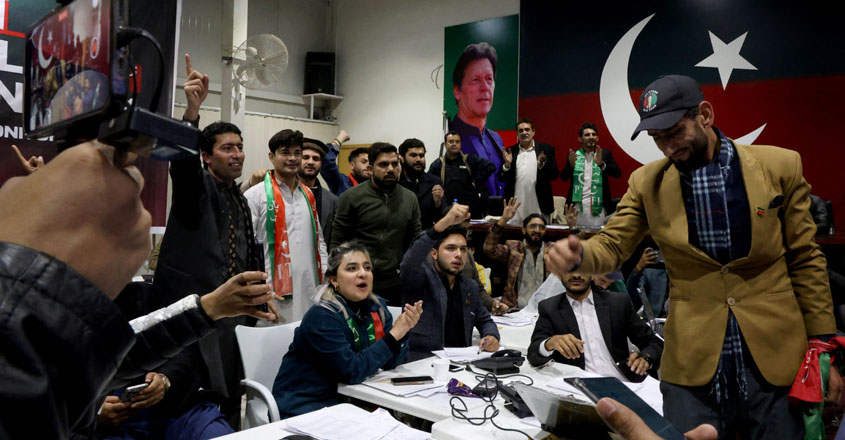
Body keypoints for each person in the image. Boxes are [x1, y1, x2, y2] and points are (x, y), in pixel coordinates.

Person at [547, 74, 839, 437]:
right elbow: (612, 245)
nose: (667, 147)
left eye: (673, 132)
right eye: (657, 139)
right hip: (692, 366)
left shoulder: (780, 167)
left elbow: (806, 259)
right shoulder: (646, 183)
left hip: (775, 359)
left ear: (705, 114)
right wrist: (578, 255)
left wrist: (823, 350)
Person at [0, 134, 279, 439]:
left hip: (178, 402)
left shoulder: (108, 306)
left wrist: (208, 310)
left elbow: (118, 348)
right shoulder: (29, 314)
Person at [152, 57, 261, 427]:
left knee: (233, 390)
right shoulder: (195, 187)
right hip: (192, 313)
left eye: (240, 147)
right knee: (194, 396)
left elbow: (247, 254)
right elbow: (179, 165)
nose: (237, 154)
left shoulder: (240, 198)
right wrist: (192, 113)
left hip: (232, 317)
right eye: (227, 148)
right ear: (206, 155)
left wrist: (258, 299)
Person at [272, 242, 422, 419]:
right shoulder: (323, 316)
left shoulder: (377, 307)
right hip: (308, 404)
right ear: (334, 280)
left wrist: (403, 332)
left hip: (353, 400)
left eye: (367, 267)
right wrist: (394, 335)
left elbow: (389, 363)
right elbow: (351, 371)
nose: (362, 273)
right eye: (352, 268)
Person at [244, 129, 328, 323]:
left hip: (309, 289)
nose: (292, 158)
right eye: (285, 152)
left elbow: (319, 241)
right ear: (271, 157)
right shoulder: (255, 195)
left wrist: (325, 280)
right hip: (270, 293)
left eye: (297, 153)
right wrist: (256, 290)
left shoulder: (307, 195)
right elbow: (246, 249)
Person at [400, 204, 500, 360]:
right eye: (451, 248)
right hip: (423, 363)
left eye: (463, 249)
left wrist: (491, 335)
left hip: (463, 363)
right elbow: (411, 258)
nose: (458, 255)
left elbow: (485, 320)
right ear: (434, 253)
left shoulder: (469, 286)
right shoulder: (420, 278)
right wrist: (442, 225)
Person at [527, 271, 663, 382]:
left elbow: (653, 342)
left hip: (622, 380)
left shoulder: (618, 303)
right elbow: (533, 354)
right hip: (579, 385)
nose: (576, 275)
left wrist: (646, 358)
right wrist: (549, 343)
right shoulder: (550, 308)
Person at [331, 143, 422, 305]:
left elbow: (415, 243)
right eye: (383, 164)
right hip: (357, 281)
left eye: (395, 164)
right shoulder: (351, 197)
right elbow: (337, 242)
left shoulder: (409, 198)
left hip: (395, 283)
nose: (391, 169)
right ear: (371, 169)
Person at [449, 42, 505, 196]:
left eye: (489, 79)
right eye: (476, 80)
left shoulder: (496, 139)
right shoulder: (451, 139)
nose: (485, 87)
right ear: (457, 91)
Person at [483, 198, 552, 309]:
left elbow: (575, 257)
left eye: (541, 227)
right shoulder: (514, 248)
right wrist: (503, 221)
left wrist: (573, 229)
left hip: (545, 309)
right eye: (533, 226)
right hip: (514, 308)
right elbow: (489, 249)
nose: (537, 230)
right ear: (523, 230)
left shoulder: (552, 250)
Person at [560, 122, 621, 228]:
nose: (591, 137)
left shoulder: (605, 154)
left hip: (598, 205)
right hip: (577, 206)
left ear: (597, 138)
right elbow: (563, 177)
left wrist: (601, 164)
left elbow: (617, 173)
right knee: (578, 236)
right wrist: (570, 166)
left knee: (597, 237)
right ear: (580, 139)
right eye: (587, 135)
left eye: (593, 134)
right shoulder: (574, 155)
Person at [500, 118, 559, 224]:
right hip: (515, 207)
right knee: (514, 238)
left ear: (533, 132)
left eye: (527, 130)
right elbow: (501, 177)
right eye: (520, 131)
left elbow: (554, 175)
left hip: (540, 205)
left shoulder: (546, 149)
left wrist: (541, 165)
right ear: (517, 134)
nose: (524, 133)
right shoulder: (510, 151)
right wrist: (507, 165)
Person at [428, 131, 495, 219]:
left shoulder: (469, 159)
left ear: (461, 144)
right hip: (447, 210)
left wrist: (476, 180)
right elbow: (428, 181)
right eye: (451, 141)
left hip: (470, 209)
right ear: (445, 144)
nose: (454, 144)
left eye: (457, 141)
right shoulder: (438, 164)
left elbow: (491, 166)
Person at [398, 138, 446, 229]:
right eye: (413, 155)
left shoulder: (435, 182)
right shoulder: (395, 182)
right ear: (402, 158)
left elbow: (441, 218)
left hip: (425, 235)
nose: (418, 159)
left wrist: (438, 203)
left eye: (421, 155)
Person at [299, 137, 338, 244]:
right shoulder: (282, 193)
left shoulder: (332, 200)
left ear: (321, 163)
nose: (311, 162)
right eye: (305, 157)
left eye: (316, 159)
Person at [320, 129, 371, 195]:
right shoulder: (342, 183)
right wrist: (340, 139)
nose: (368, 166)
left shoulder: (376, 186)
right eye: (364, 162)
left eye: (371, 163)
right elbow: (326, 160)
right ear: (352, 165)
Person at [626, 247, 669, 318]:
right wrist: (638, 268)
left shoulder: (689, 280)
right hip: (653, 322)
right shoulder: (651, 274)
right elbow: (630, 296)